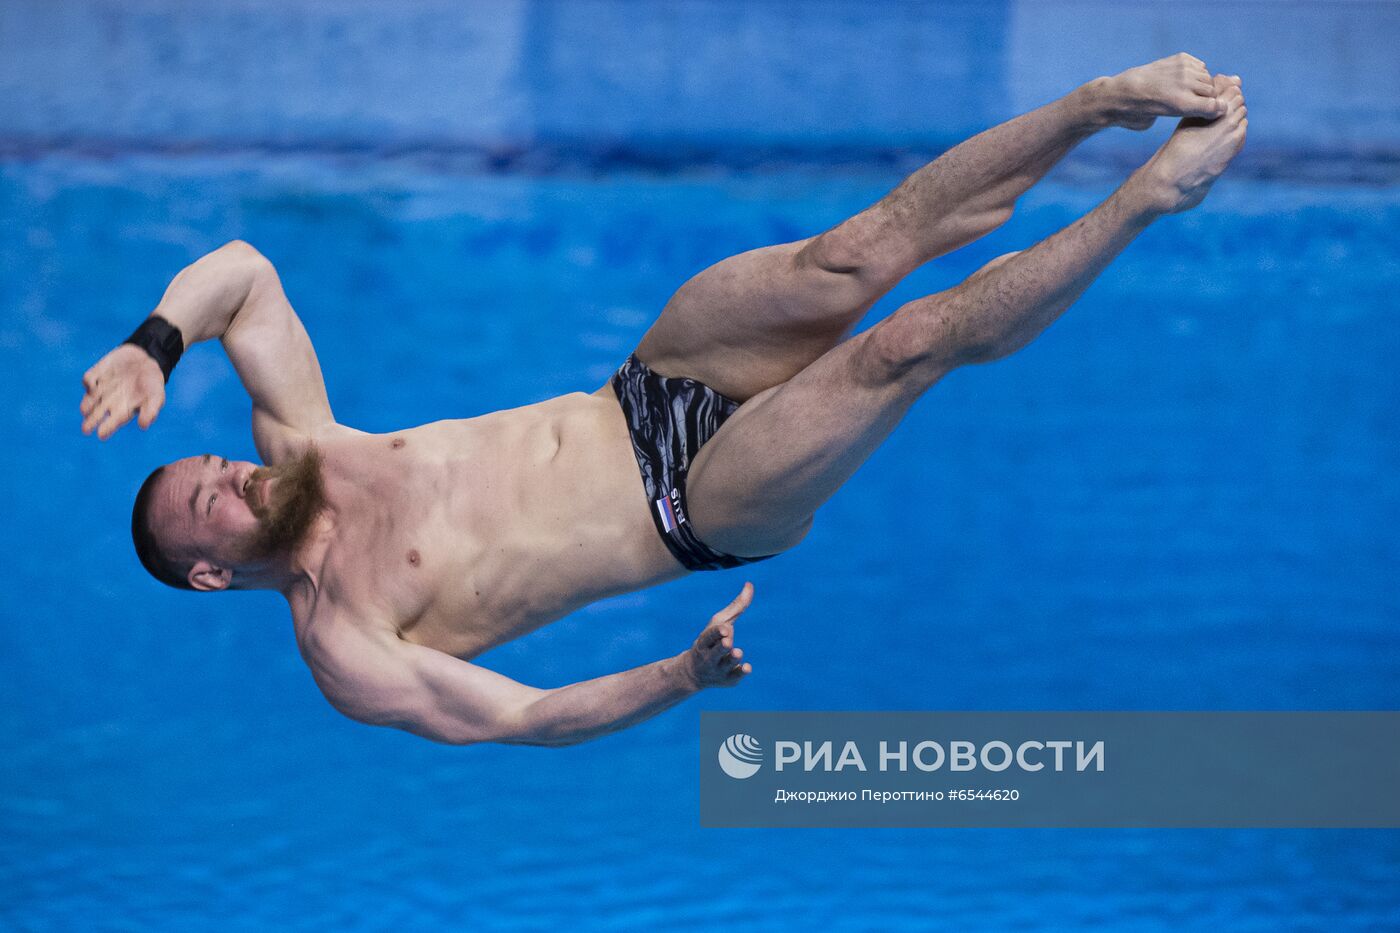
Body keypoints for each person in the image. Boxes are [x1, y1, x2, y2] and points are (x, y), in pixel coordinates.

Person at [80, 55, 1246, 746]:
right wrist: (677, 680)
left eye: (208, 462)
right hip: (693, 505)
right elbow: (524, 719)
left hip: (640, 391)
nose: (230, 472)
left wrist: (155, 344)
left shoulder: (303, 446)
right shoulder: (344, 644)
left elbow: (244, 274)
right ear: (211, 572)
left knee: (851, 257)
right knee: (905, 344)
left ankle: (1096, 104)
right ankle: (1148, 199)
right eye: (210, 499)